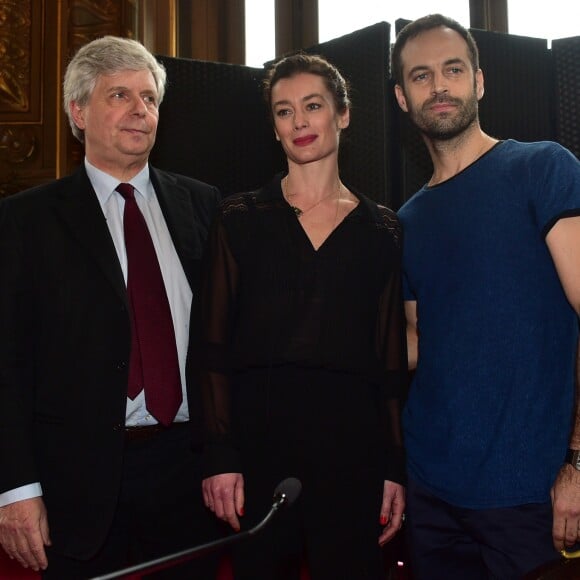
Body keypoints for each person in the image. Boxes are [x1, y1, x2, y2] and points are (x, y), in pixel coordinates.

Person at [0, 36, 221, 579]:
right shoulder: (24, 222)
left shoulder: (205, 205)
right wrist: (15, 488)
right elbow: (6, 363)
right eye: (119, 95)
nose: (140, 110)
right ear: (78, 111)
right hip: (76, 479)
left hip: (189, 474)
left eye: (148, 98)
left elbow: (227, 340)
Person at [191, 53, 408, 579]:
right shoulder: (239, 218)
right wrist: (219, 455)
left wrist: (395, 468)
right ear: (273, 126)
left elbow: (391, 361)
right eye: (284, 112)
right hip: (260, 451)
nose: (300, 122)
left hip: (354, 454)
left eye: (313, 106)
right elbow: (210, 347)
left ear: (344, 114)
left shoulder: (383, 230)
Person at [392, 13, 580, 580]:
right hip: (430, 493)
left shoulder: (542, 168)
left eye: (453, 69)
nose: (439, 85)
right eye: (421, 76)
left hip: (530, 494)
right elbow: (417, 346)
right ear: (402, 98)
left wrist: (578, 460)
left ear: (479, 81)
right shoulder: (406, 221)